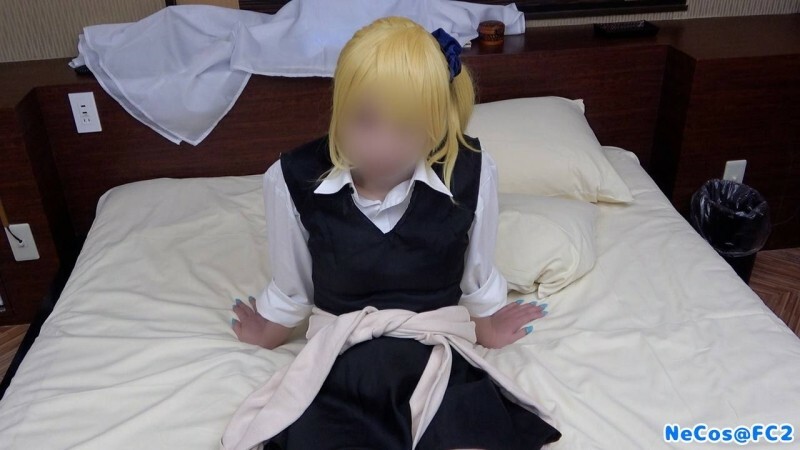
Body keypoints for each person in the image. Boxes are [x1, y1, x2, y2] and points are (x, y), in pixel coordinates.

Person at [229, 16, 561, 450]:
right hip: (345, 362)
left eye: (407, 127)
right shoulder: (291, 178)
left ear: (438, 120)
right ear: (339, 106)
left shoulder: (473, 172)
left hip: (436, 355)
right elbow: (293, 285)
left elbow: (475, 273)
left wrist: (487, 325)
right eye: (364, 120)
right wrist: (270, 329)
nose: (383, 146)